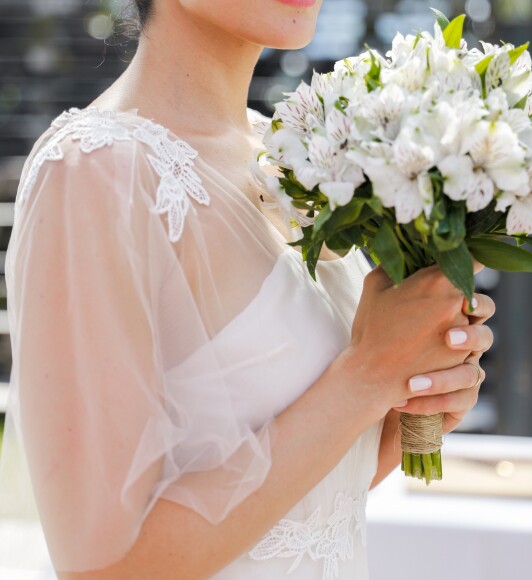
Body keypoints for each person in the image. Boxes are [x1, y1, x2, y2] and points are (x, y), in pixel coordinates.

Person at [0, 0, 495, 578]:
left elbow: (306, 511)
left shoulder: (291, 158)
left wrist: (410, 397)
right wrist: (366, 377)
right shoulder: (94, 173)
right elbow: (104, 568)